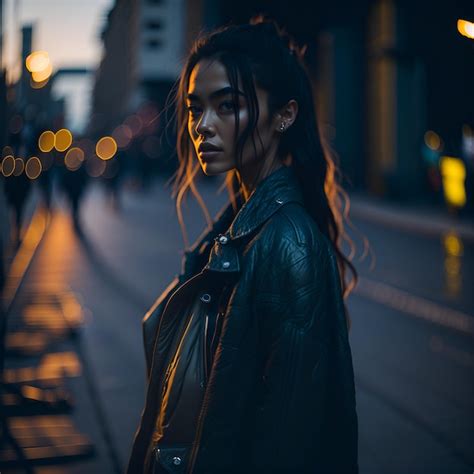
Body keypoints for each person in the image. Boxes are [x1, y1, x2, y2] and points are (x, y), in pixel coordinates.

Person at [127, 17, 359, 474]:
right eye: (196, 109)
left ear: (284, 115)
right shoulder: (235, 229)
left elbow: (288, 446)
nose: (203, 127)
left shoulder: (290, 244)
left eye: (227, 106)